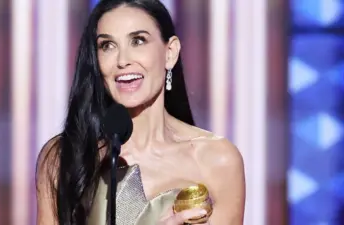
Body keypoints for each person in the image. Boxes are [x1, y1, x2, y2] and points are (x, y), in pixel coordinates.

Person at [36, 0, 245, 224]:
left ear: (170, 52)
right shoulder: (65, 157)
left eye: (138, 41)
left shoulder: (217, 160)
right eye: (107, 45)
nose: (123, 61)